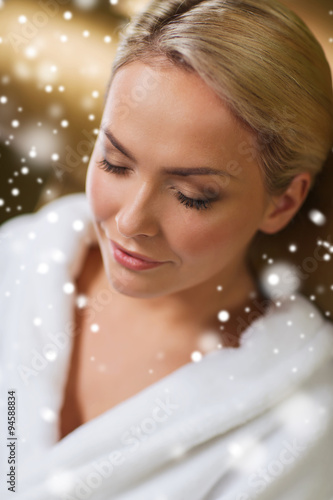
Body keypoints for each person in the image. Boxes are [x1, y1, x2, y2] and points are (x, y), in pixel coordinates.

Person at [1, 0, 333, 498]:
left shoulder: (302, 419)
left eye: (192, 196)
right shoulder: (18, 259)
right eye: (114, 162)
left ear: (282, 202)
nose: (131, 222)